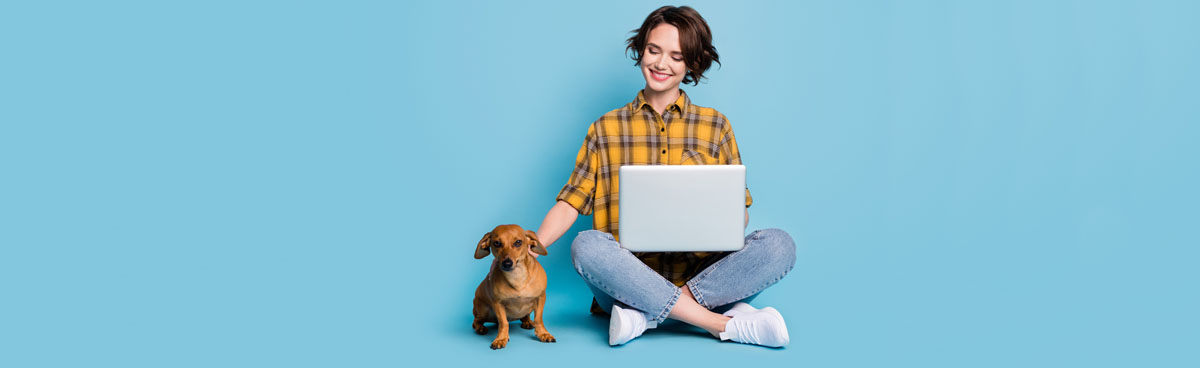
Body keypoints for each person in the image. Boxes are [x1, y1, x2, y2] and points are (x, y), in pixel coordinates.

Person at [532, 6, 796, 348]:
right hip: (624, 286)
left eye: (676, 56)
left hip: (704, 277)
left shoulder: (716, 126)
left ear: (691, 64)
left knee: (779, 244)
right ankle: (720, 323)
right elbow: (570, 203)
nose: (661, 64)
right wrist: (530, 250)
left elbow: (739, 216)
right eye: (654, 50)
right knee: (586, 244)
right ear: (641, 48)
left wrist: (716, 214)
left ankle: (645, 318)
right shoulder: (605, 128)